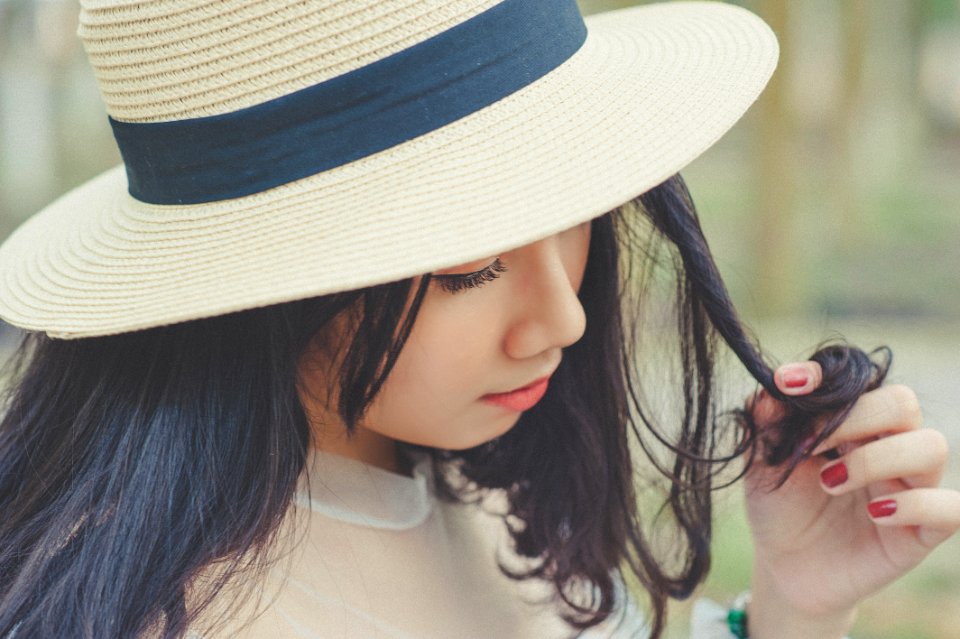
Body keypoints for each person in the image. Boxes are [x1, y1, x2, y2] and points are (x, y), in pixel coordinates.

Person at [0, 1, 956, 638]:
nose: (561, 319)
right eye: (471, 268)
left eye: (579, 216)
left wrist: (794, 600)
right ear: (258, 287)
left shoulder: (466, 479)